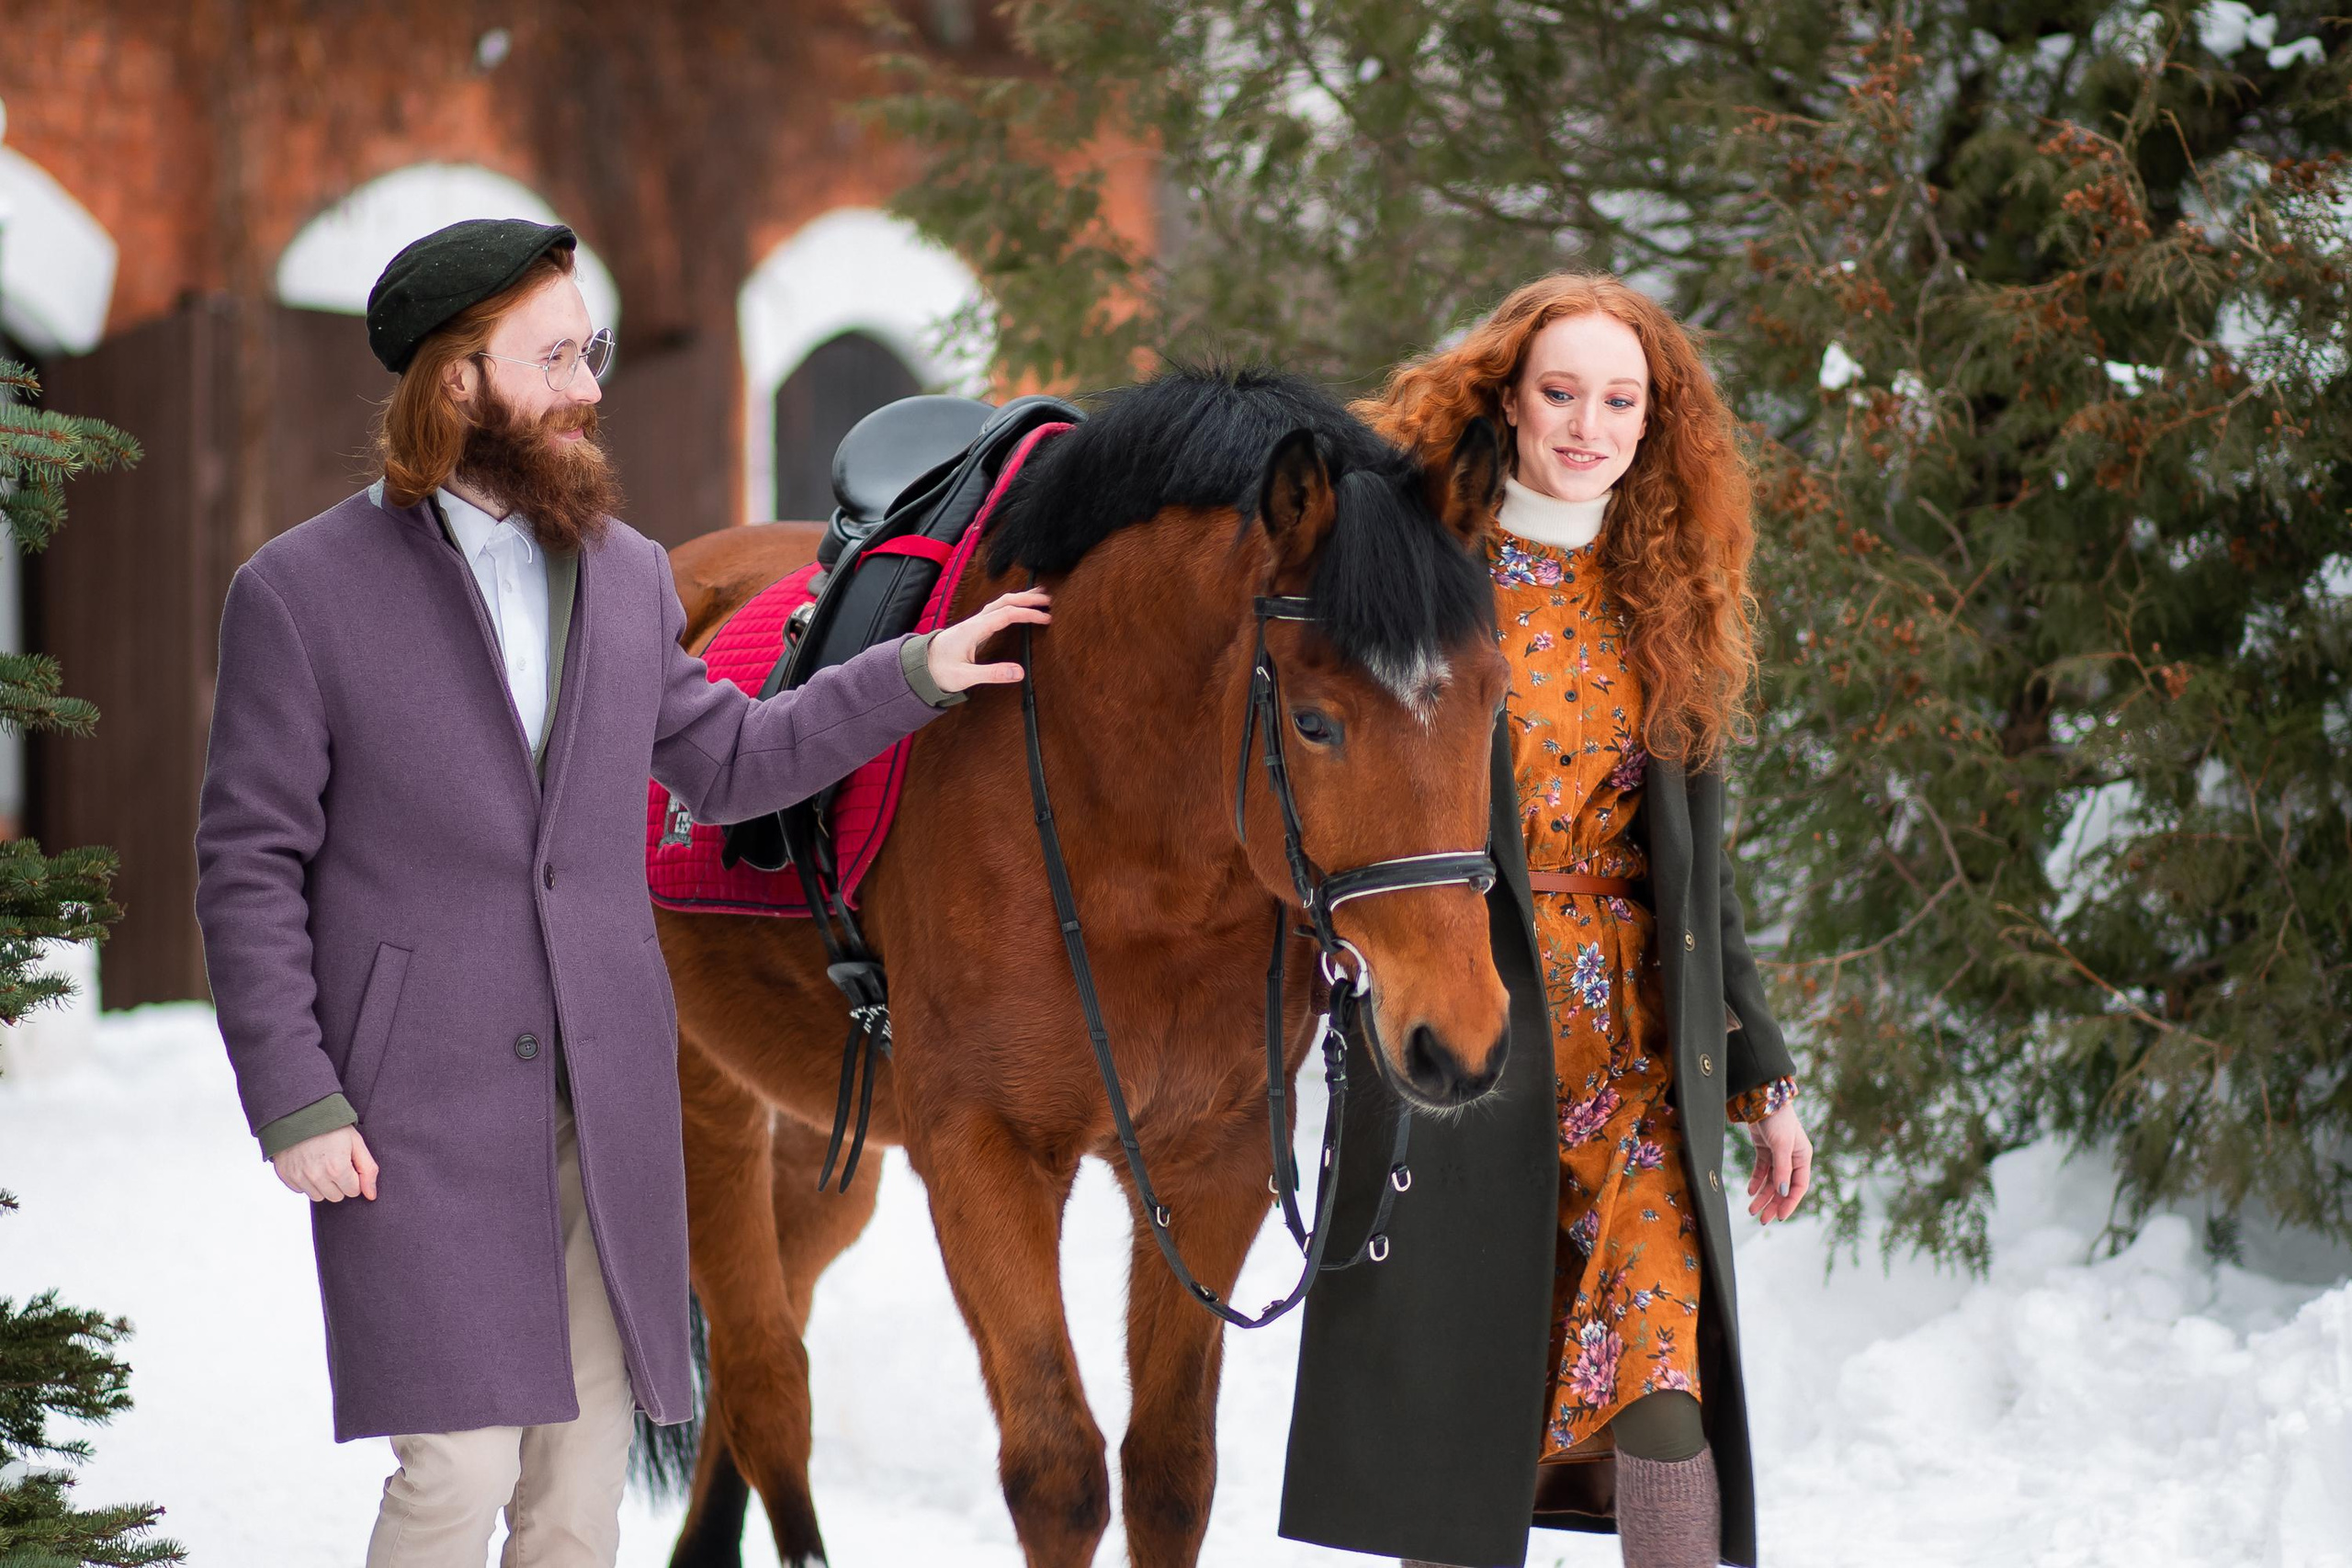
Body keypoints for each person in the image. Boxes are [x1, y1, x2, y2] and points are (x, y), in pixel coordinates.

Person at [193, 216, 1048, 1566]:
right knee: (455, 1468)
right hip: (408, 1104)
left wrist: (918, 674)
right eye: (556, 358)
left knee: (580, 1486)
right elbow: (247, 864)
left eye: (590, 350)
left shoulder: (628, 574)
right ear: (459, 384)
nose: (593, 386)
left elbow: (734, 760)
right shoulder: (299, 594)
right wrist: (295, 1094)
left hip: (612, 1100)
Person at [1279, 274, 1812, 1568]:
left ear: (1652, 420)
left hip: (1637, 1057)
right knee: (1460, 1412)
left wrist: (1761, 1075)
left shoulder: (1667, 601)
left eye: (1619, 399)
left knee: (1665, 1391)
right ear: (1508, 402)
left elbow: (1701, 881)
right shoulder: (1425, 583)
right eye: (1561, 392)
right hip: (1473, 1037)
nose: (1588, 424)